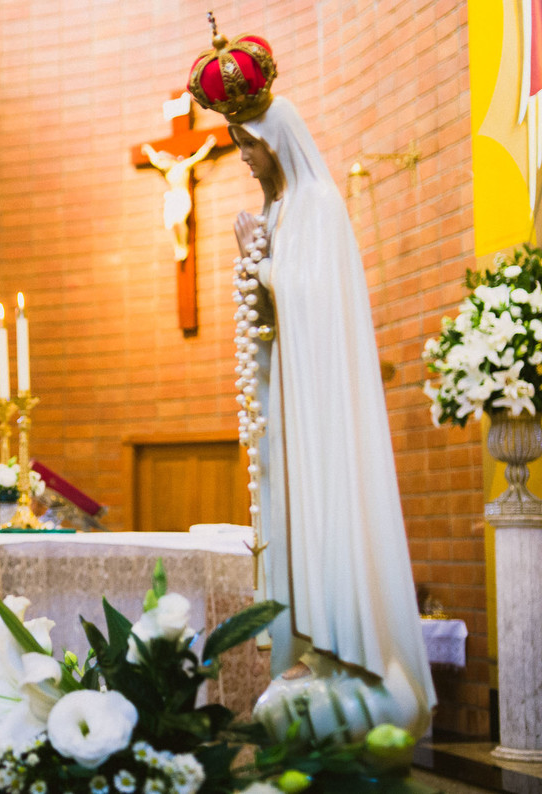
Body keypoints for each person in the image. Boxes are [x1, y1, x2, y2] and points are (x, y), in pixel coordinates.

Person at [187, 27, 436, 736]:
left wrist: (255, 263)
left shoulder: (318, 205)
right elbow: (277, 305)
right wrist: (258, 263)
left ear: (277, 137)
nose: (243, 157)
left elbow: (314, 303)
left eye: (248, 144)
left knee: (327, 518)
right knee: (296, 523)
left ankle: (343, 652)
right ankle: (311, 653)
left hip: (322, 408)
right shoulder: (280, 209)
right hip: (293, 405)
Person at [141, 134, 217, 262]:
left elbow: (198, 157)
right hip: (172, 198)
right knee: (170, 224)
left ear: (169, 159)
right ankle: (178, 247)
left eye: (164, 161)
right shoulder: (168, 170)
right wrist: (148, 149)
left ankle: (183, 245)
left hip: (181, 196)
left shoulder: (182, 166)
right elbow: (155, 160)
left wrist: (208, 145)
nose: (162, 164)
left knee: (179, 221)